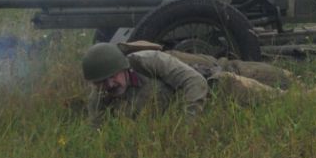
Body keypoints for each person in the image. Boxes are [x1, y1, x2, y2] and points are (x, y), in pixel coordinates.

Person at [79, 42, 292, 118]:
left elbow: (195, 83)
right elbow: (96, 128)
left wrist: (187, 126)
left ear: (124, 68)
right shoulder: (99, 96)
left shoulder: (148, 61)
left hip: (211, 77)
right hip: (198, 99)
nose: (109, 85)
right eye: (101, 82)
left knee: (285, 84)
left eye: (112, 77)